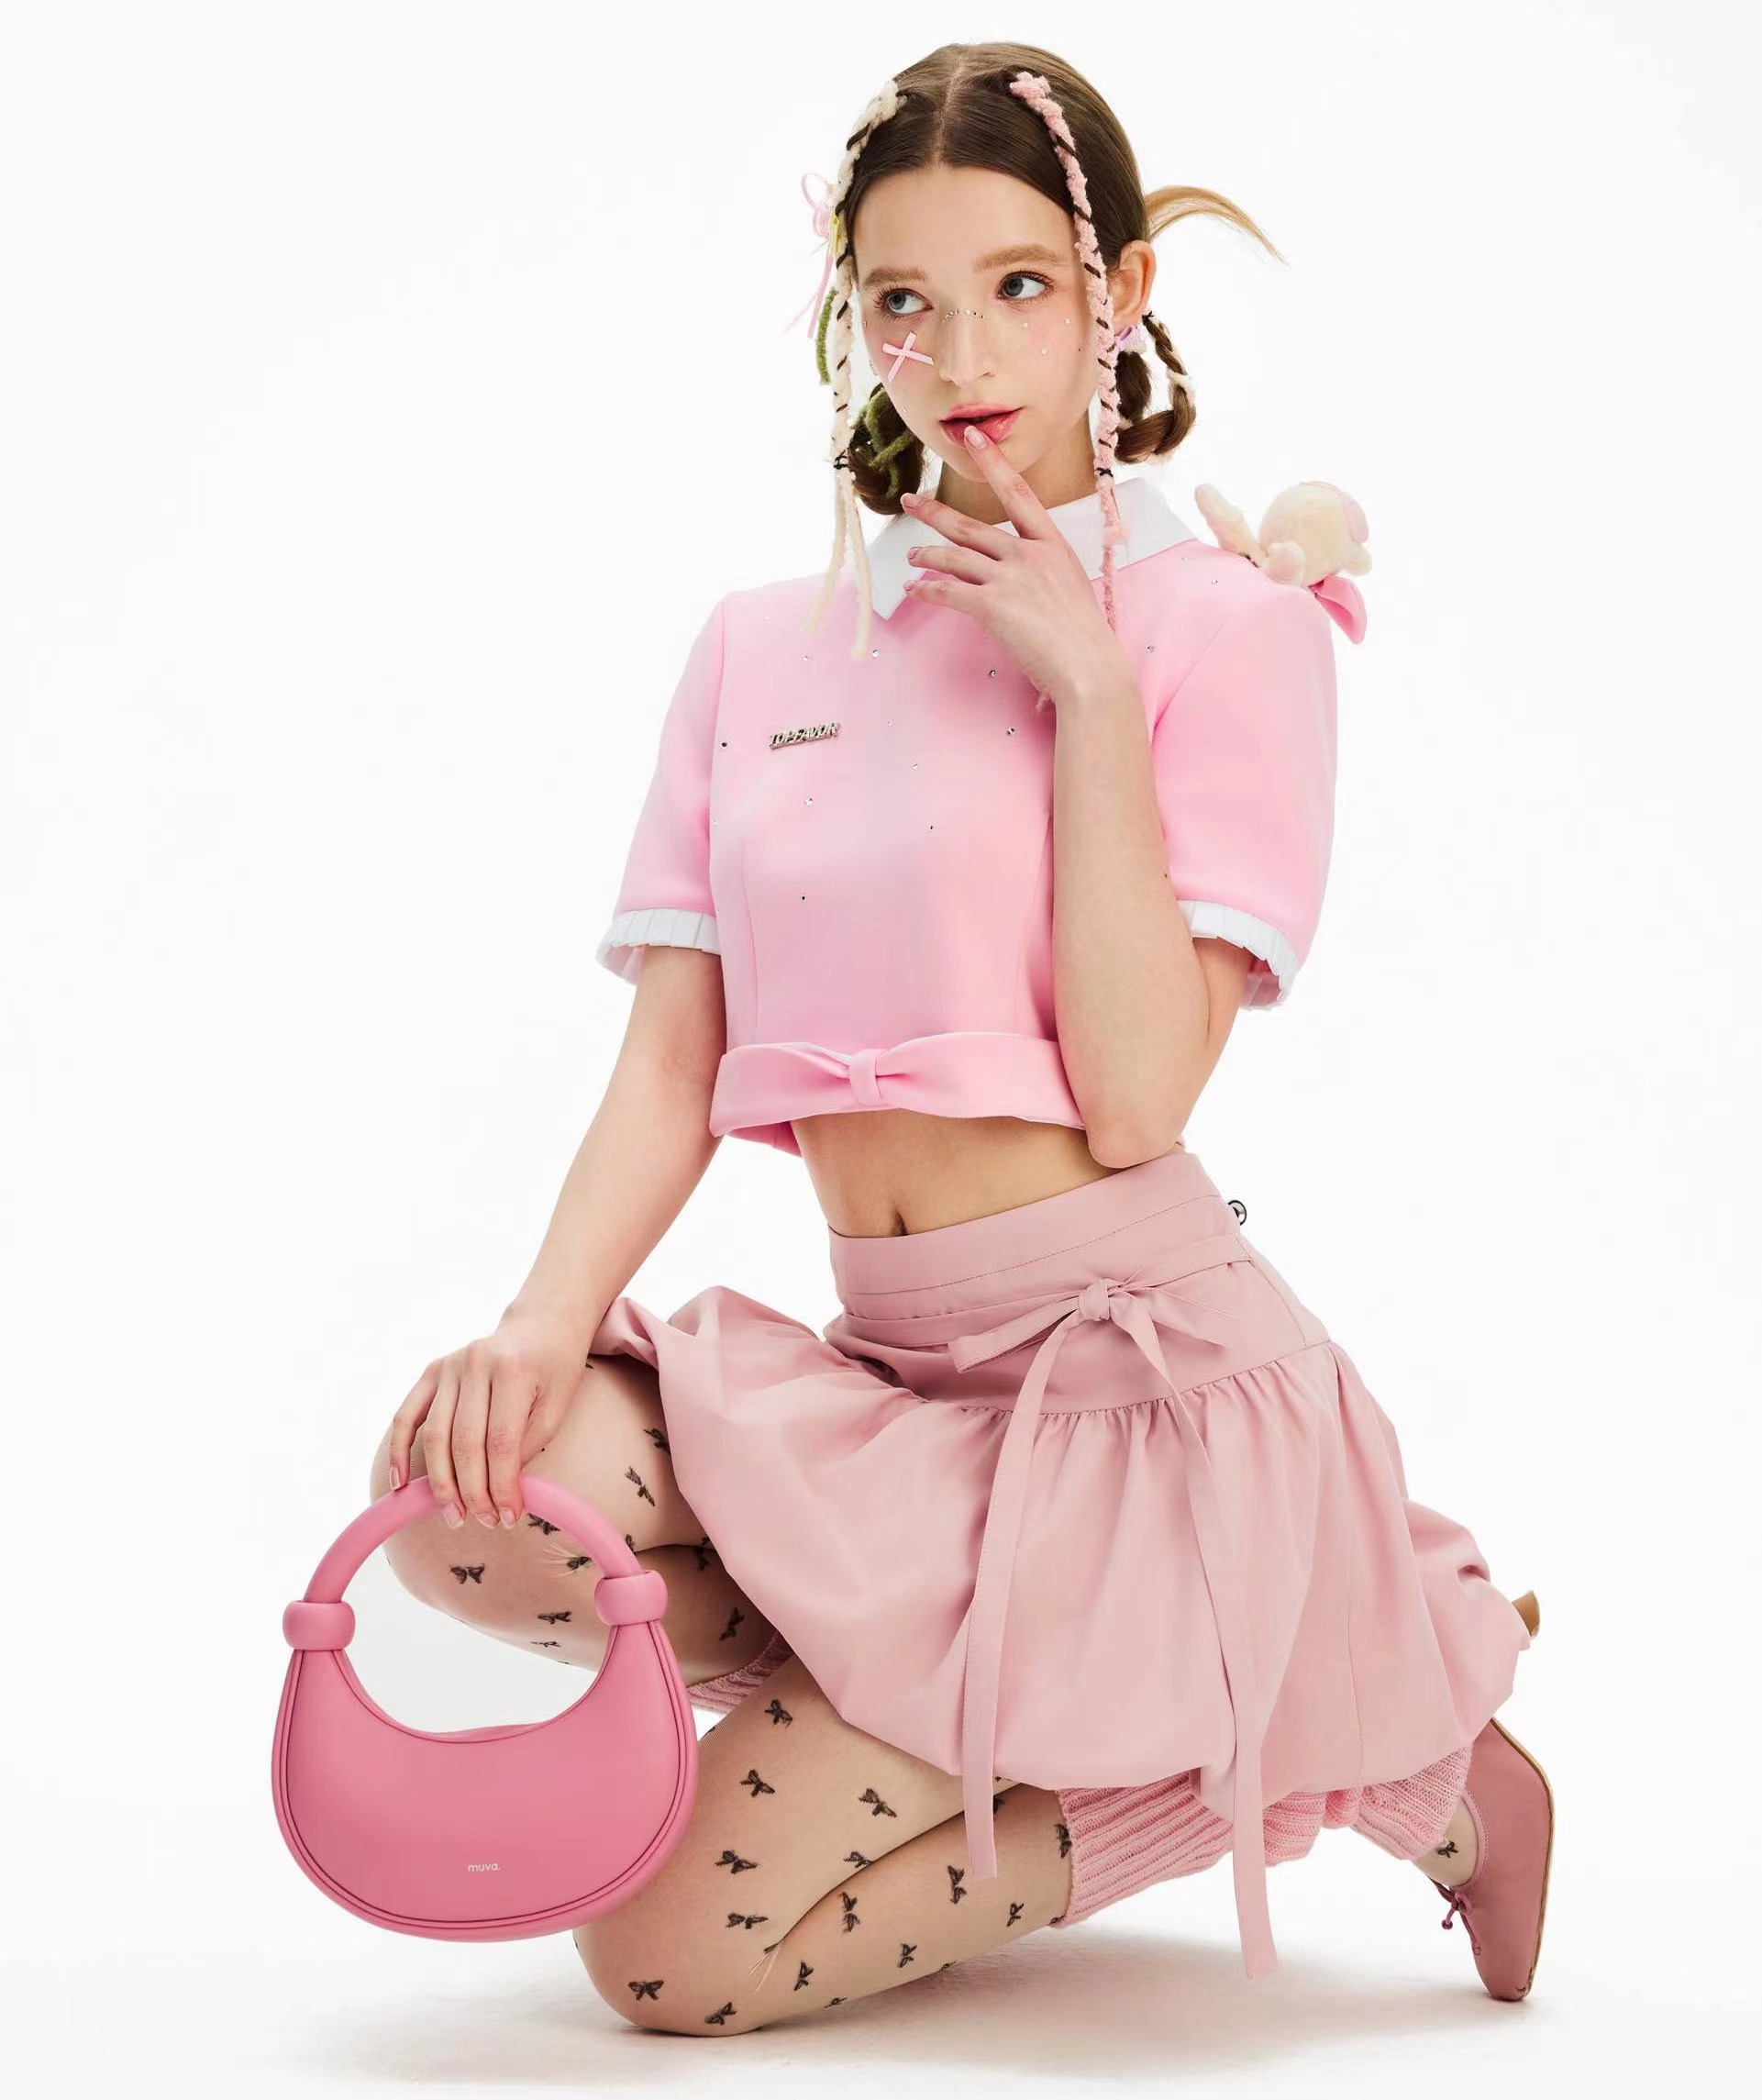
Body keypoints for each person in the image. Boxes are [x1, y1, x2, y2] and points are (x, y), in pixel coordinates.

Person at [367, 39, 1553, 2036]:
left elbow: (1138, 1093)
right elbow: (673, 1057)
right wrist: (534, 1320)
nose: (962, 350)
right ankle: (1008, 1691)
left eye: (1017, 283)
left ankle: (1367, 1758)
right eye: (902, 300)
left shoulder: (1229, 625)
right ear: (854, 320)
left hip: (1133, 1406)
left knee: (660, 1959)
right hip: (894, 1383)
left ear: (1119, 294)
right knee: (471, 1487)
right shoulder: (762, 643)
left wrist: (1088, 688)